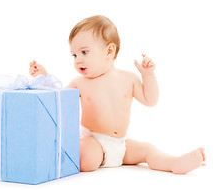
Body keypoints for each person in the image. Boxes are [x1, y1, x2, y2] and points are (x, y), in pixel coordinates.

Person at [29, 15, 206, 174]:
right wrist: (44, 78)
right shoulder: (79, 83)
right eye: (74, 55)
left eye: (84, 52)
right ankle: (64, 157)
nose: (78, 60)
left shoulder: (129, 78)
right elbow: (58, 99)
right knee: (87, 157)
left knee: (147, 150)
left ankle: (174, 163)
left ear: (109, 51)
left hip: (120, 144)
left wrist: (148, 76)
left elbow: (150, 100)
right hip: (93, 140)